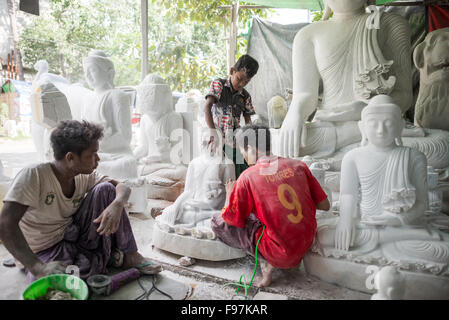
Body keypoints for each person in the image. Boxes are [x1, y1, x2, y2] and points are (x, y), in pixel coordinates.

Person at [0, 120, 162, 281]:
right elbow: (5, 224)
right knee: (60, 282)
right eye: (92, 154)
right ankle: (106, 258)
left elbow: (123, 188)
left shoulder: (84, 176)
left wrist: (117, 204)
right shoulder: (34, 175)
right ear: (70, 158)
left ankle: (130, 255)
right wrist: (37, 267)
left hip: (72, 237)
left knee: (106, 189)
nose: (98, 159)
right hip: (43, 250)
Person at [211, 124, 330, 287]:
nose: (244, 157)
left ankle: (266, 261)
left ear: (251, 148)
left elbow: (230, 220)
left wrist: (230, 193)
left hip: (281, 253)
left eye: (243, 152)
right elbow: (324, 205)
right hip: (305, 244)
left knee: (217, 222)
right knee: (260, 214)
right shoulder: (298, 165)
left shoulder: (248, 176)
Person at [203, 54, 259, 178]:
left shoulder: (245, 96)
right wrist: (213, 132)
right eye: (239, 78)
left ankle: (236, 193)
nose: (241, 84)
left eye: (246, 81)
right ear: (232, 71)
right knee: (221, 169)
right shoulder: (219, 85)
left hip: (234, 139)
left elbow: (248, 120)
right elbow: (207, 107)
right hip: (217, 135)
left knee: (241, 169)